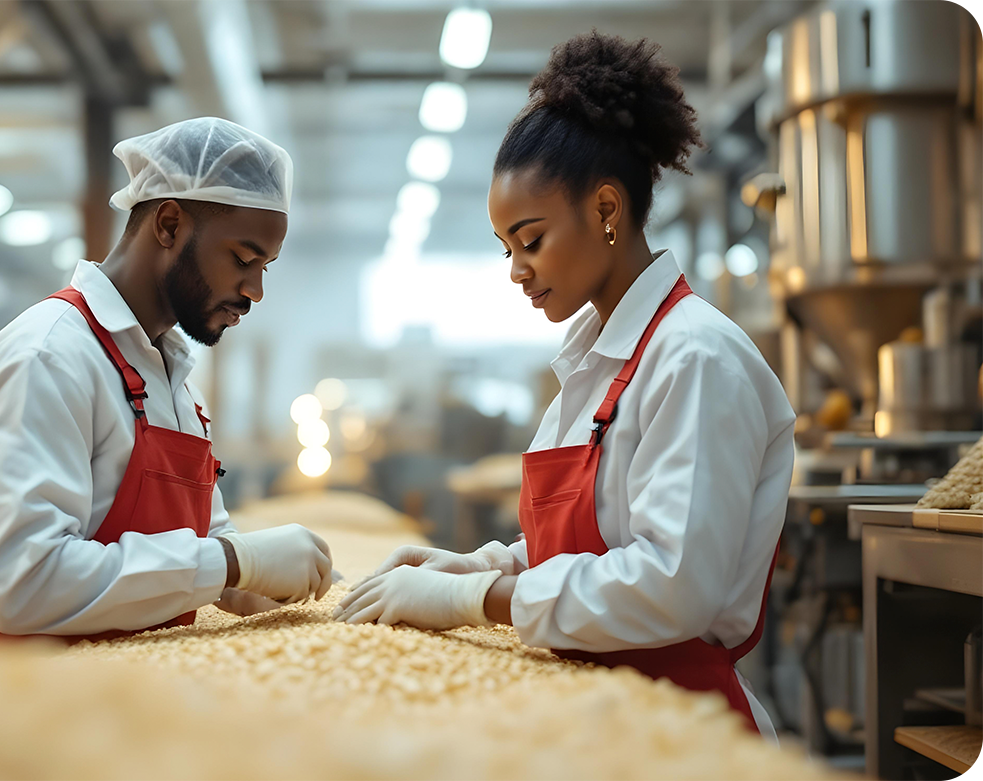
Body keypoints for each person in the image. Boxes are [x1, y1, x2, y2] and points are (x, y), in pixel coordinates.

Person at [335, 31, 795, 739]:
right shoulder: (594, 362)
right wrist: (476, 561)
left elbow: (671, 588)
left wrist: (473, 598)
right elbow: (589, 543)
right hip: (593, 712)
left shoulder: (695, 357)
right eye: (506, 248)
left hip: (677, 726)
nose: (516, 268)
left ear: (607, 211)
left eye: (531, 238)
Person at [0, 117, 333, 648]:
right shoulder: (48, 357)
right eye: (245, 259)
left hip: (132, 698)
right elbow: (22, 583)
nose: (255, 289)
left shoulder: (172, 378)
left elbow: (203, 544)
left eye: (265, 265)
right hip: (35, 703)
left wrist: (260, 581)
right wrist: (230, 564)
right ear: (169, 224)